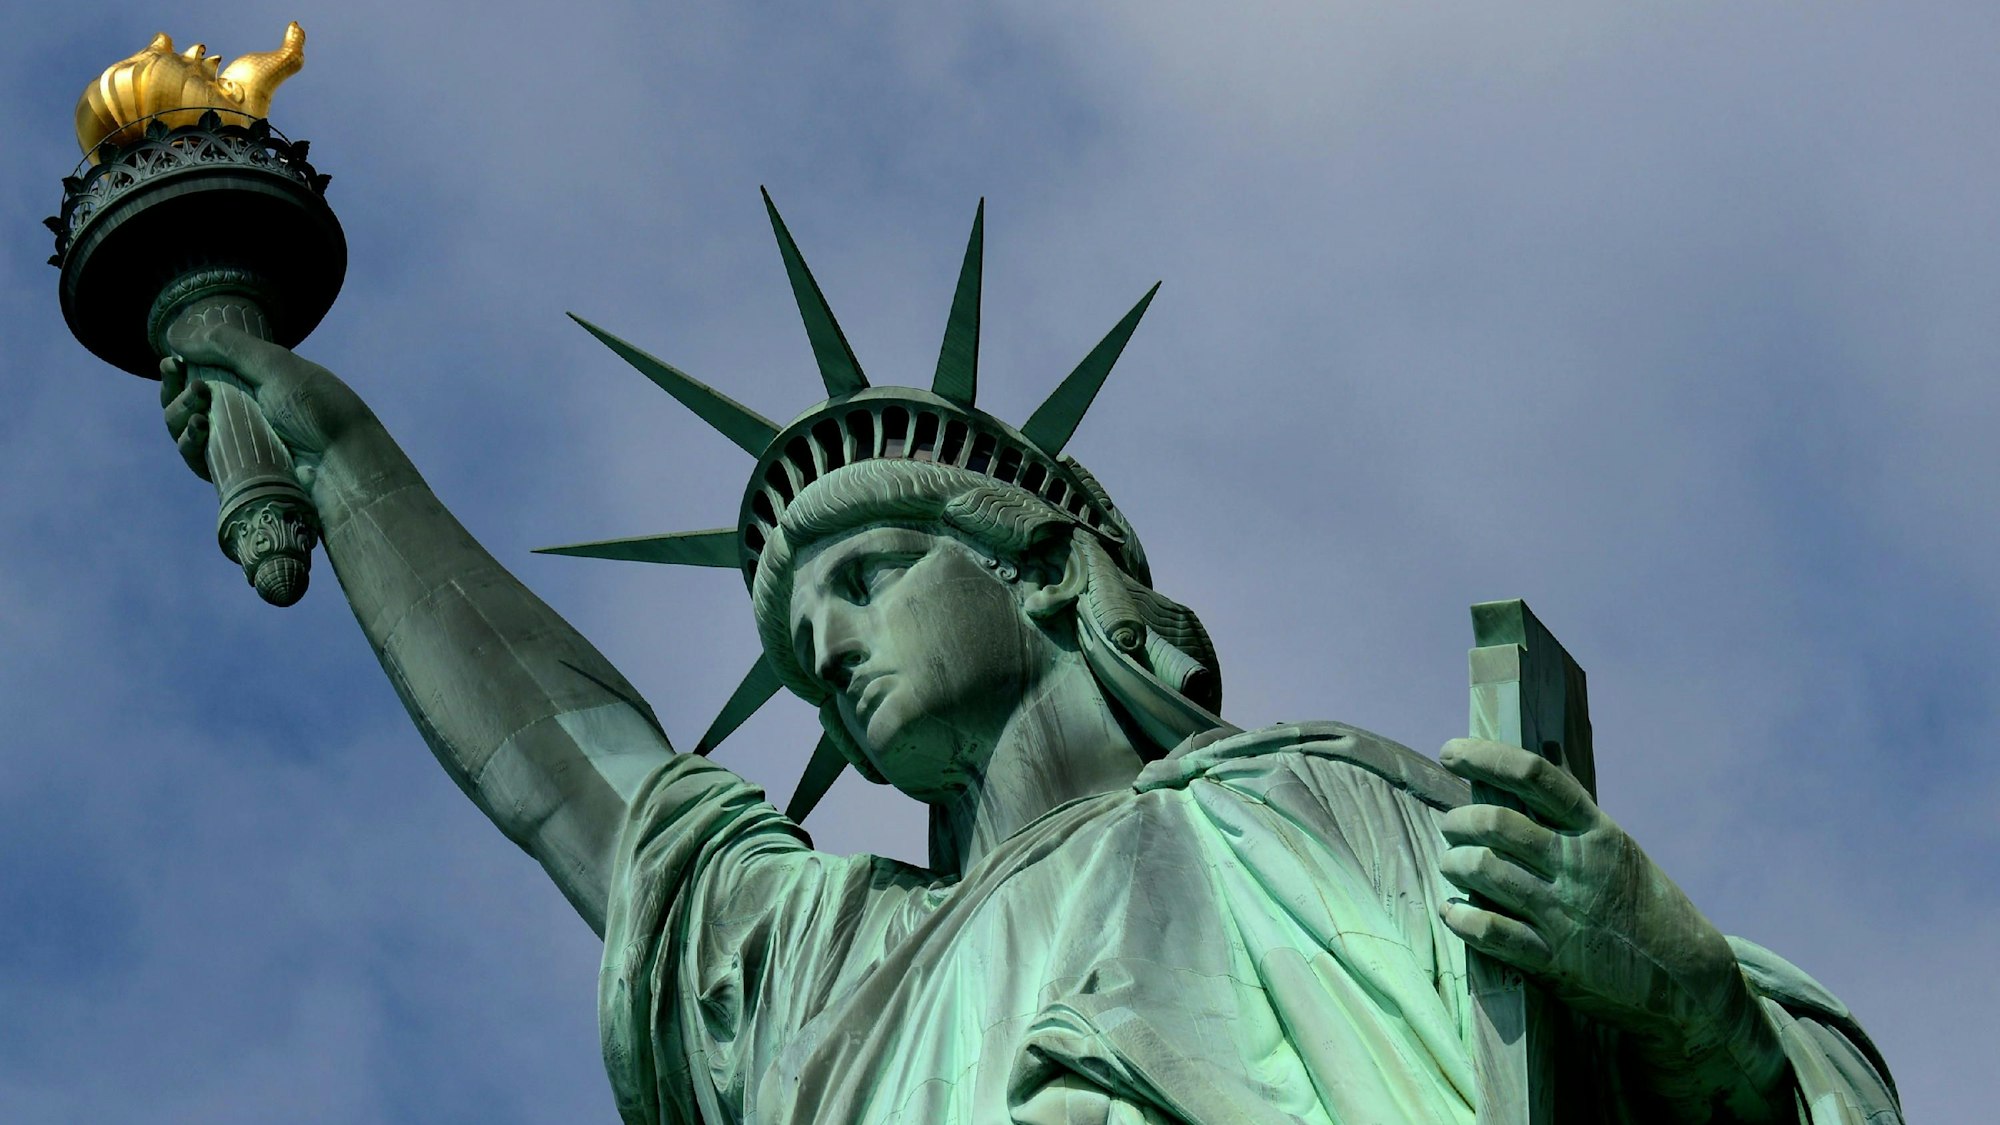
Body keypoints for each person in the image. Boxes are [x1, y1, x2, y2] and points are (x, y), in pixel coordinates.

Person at [156, 219, 1901, 1122]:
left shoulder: (1321, 804)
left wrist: (1683, 997)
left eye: (863, 571)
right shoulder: (842, 966)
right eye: (790, 627)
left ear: (1046, 570)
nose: (822, 641)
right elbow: (574, 780)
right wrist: (332, 450)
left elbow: (1782, 1099)